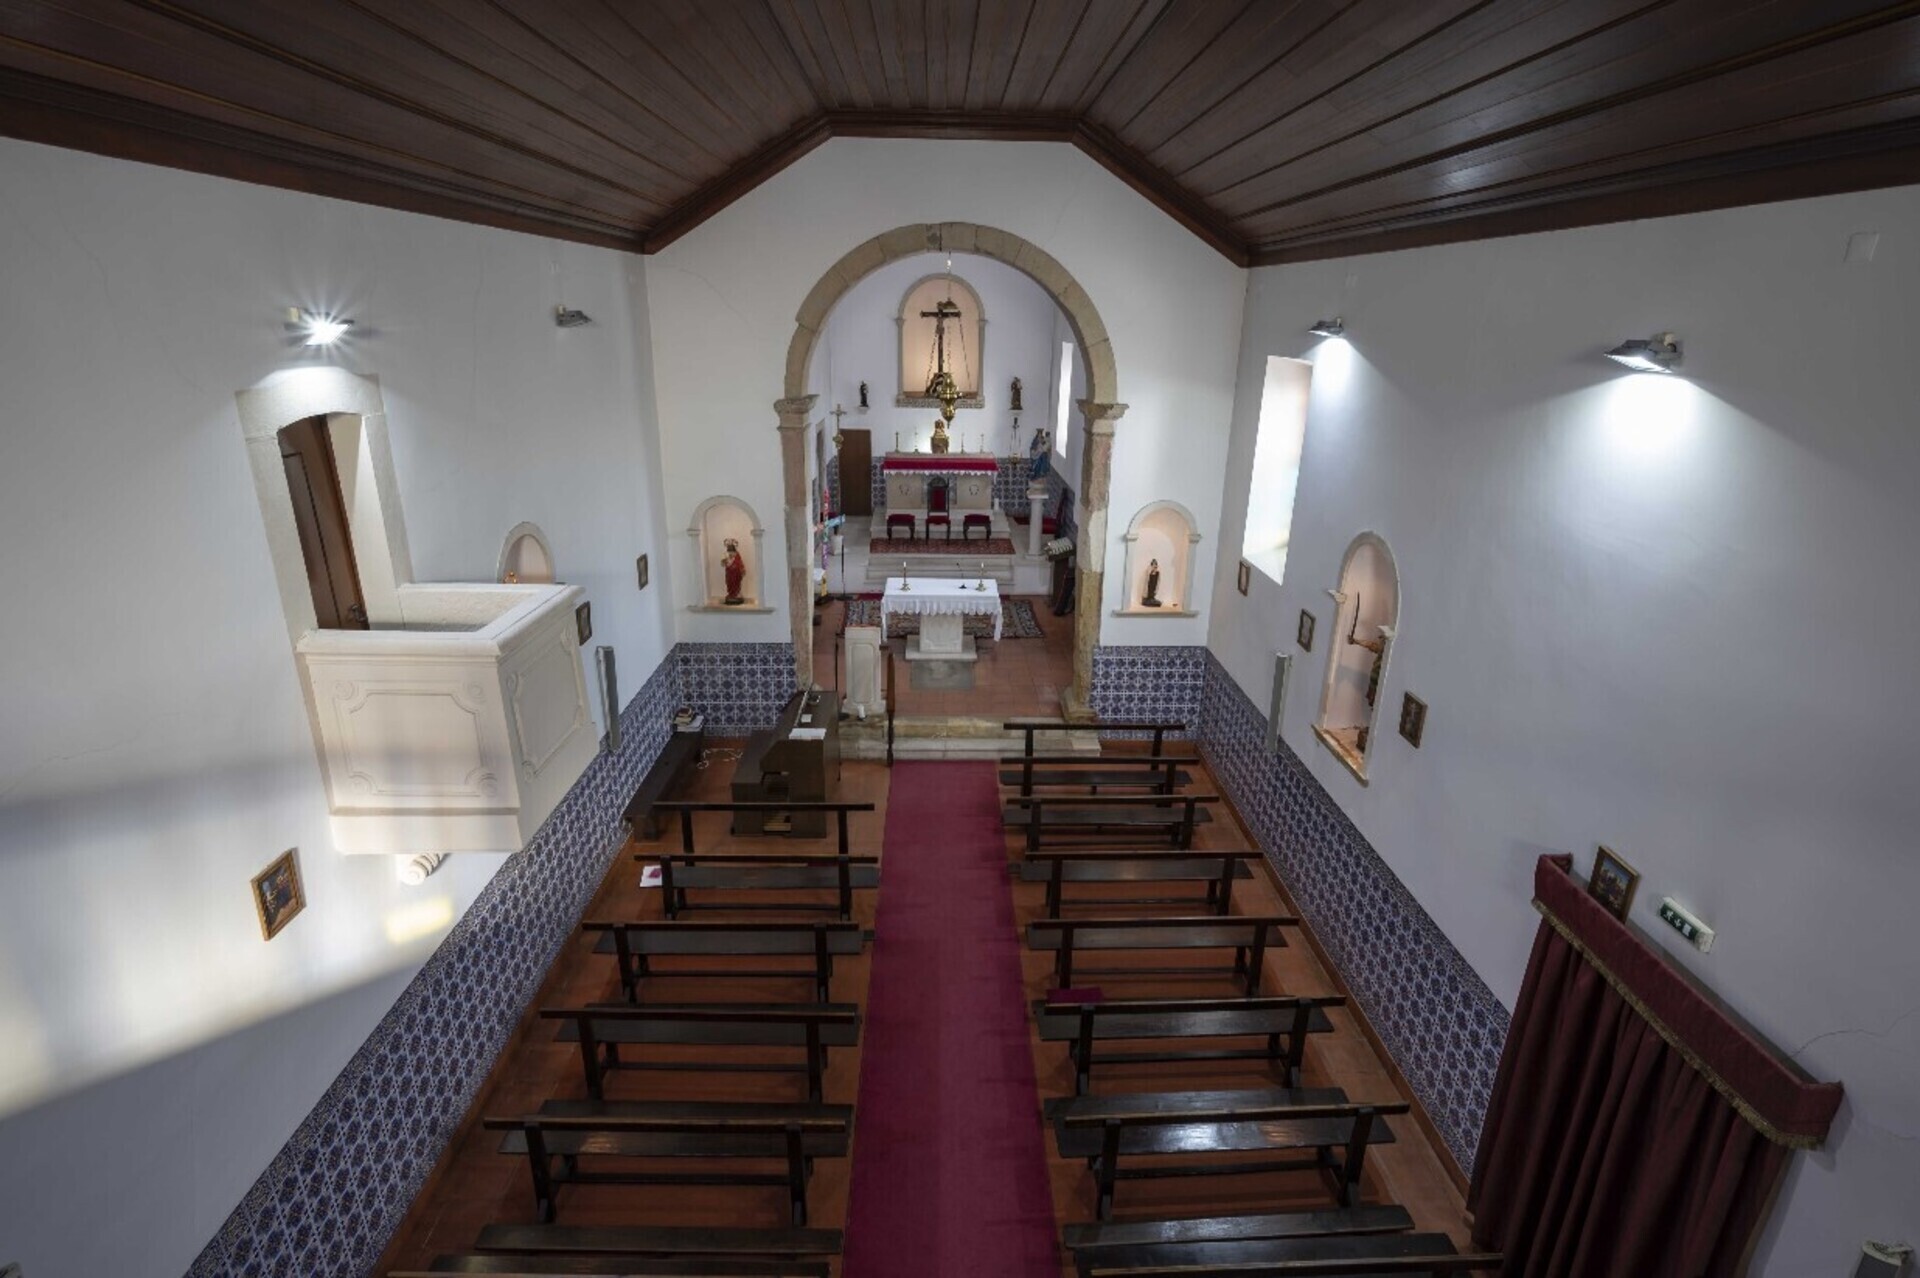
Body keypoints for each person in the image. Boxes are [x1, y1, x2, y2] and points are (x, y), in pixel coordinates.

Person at [722, 538, 746, 605]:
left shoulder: (737, 555)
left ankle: (736, 594)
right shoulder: (726, 555)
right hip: (729, 573)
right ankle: (731, 594)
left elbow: (740, 563)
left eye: (732, 552)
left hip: (736, 573)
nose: (731, 553)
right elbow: (723, 564)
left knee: (736, 584)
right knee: (729, 583)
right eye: (729, 551)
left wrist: (742, 569)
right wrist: (724, 562)